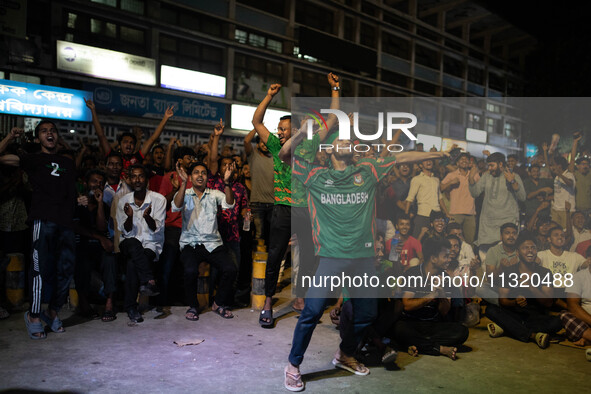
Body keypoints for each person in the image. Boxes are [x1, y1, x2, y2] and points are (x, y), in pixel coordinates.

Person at [284, 134, 448, 391]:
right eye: (340, 140)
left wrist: (434, 155)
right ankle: (293, 366)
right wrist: (302, 134)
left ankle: (345, 353)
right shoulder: (315, 176)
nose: (346, 142)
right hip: (330, 257)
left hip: (363, 259)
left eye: (350, 140)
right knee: (312, 312)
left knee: (367, 313)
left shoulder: (368, 170)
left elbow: (401, 157)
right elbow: (285, 155)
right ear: (329, 150)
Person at [1, 123, 77, 339]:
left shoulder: (67, 163)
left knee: (66, 270)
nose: (49, 133)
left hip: (66, 222)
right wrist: (9, 137)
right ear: (38, 139)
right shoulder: (32, 160)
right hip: (43, 220)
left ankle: (51, 312)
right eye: (44, 131)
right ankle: (33, 315)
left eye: (52, 130)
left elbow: (70, 191)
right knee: (39, 269)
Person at [252, 83, 295, 326]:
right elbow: (257, 122)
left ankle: (303, 301)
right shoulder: (277, 146)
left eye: (283, 129)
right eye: (278, 129)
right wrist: (268, 96)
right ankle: (268, 303)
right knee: (275, 256)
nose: (279, 132)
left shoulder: (308, 149)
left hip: (306, 210)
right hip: (282, 209)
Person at [172, 161, 237, 320]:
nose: (200, 176)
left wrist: (227, 183)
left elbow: (229, 204)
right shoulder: (185, 193)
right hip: (190, 243)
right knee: (190, 271)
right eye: (196, 172)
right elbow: (176, 205)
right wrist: (183, 183)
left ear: (207, 177)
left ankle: (218, 303)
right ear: (190, 176)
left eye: (203, 173)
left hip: (212, 243)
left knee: (230, 268)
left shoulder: (214, 194)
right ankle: (193, 306)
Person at [392, 238, 469, 360]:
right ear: (433, 258)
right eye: (445, 256)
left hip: (432, 325)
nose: (449, 260)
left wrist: (442, 292)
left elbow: (444, 311)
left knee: (462, 331)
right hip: (411, 323)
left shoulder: (445, 278)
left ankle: (414, 344)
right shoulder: (413, 273)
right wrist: (431, 295)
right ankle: (440, 349)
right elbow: (407, 305)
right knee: (399, 329)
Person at [486, 232, 561, 349]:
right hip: (514, 313)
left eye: (533, 248)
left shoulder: (544, 272)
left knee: (558, 322)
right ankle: (533, 336)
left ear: (537, 251)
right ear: (517, 252)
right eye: (525, 248)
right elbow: (502, 301)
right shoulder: (508, 272)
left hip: (535, 316)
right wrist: (514, 302)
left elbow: (548, 302)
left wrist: (531, 286)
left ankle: (507, 328)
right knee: (491, 310)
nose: (530, 251)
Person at [116, 164, 166, 323]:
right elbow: (125, 232)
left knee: (132, 264)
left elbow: (156, 231)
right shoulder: (123, 201)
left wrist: (147, 217)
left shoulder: (159, 200)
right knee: (132, 242)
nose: (137, 180)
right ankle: (149, 280)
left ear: (146, 180)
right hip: (128, 243)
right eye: (134, 177)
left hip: (150, 244)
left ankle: (131, 307)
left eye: (141, 176)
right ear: (129, 180)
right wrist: (130, 217)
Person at [73, 169, 118, 322]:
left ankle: (109, 305)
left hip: (100, 246)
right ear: (86, 183)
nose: (97, 185)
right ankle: (84, 305)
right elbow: (77, 227)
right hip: (83, 244)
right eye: (94, 181)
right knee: (81, 261)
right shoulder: (78, 203)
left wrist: (99, 204)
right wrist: (100, 238)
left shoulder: (104, 206)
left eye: (100, 183)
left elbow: (101, 227)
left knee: (110, 259)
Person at [85, 99, 174, 171]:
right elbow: (101, 136)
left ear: (134, 146)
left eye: (131, 143)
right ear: (119, 145)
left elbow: (152, 139)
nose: (129, 145)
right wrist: (93, 111)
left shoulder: (137, 158)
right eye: (125, 142)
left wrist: (165, 118)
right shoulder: (112, 156)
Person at [469, 152, 525, 255]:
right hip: (488, 226)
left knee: (505, 259)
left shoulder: (513, 176)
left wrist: (512, 182)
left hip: (507, 223)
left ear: (500, 164)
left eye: (492, 165)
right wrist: (471, 179)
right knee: (486, 261)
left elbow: (522, 197)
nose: (489, 168)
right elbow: (475, 193)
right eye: (488, 165)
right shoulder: (486, 176)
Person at [538, 226, 589, 308]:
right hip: (552, 292)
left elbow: (586, 264)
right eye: (556, 235)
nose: (560, 237)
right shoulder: (542, 255)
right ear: (549, 239)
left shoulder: (574, 256)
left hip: (570, 292)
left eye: (562, 235)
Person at [243, 129, 274, 245]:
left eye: (267, 142)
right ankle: (258, 262)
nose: (265, 145)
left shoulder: (275, 158)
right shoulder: (253, 156)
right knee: (258, 235)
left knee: (272, 236)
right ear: (258, 144)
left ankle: (270, 262)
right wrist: (257, 128)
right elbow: (246, 141)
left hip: (273, 203)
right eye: (262, 142)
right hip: (257, 204)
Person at [441, 153, 478, 244]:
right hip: (455, 213)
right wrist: (451, 183)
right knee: (452, 241)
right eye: (461, 159)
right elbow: (441, 188)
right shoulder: (452, 175)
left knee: (469, 242)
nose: (464, 161)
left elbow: (480, 190)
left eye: (466, 159)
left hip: (470, 214)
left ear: (469, 163)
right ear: (457, 163)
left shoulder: (475, 175)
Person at [560, 248, 591, 349]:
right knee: (564, 315)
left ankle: (586, 337)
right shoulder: (578, 277)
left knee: (573, 332)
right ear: (589, 260)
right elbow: (573, 306)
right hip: (586, 320)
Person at [405, 159, 443, 238]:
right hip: (423, 214)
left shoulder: (436, 180)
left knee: (436, 239)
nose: (429, 162)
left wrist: (447, 213)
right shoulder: (416, 179)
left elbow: (440, 198)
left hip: (436, 215)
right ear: (421, 165)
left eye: (430, 160)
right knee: (418, 239)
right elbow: (410, 198)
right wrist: (406, 215)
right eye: (425, 161)